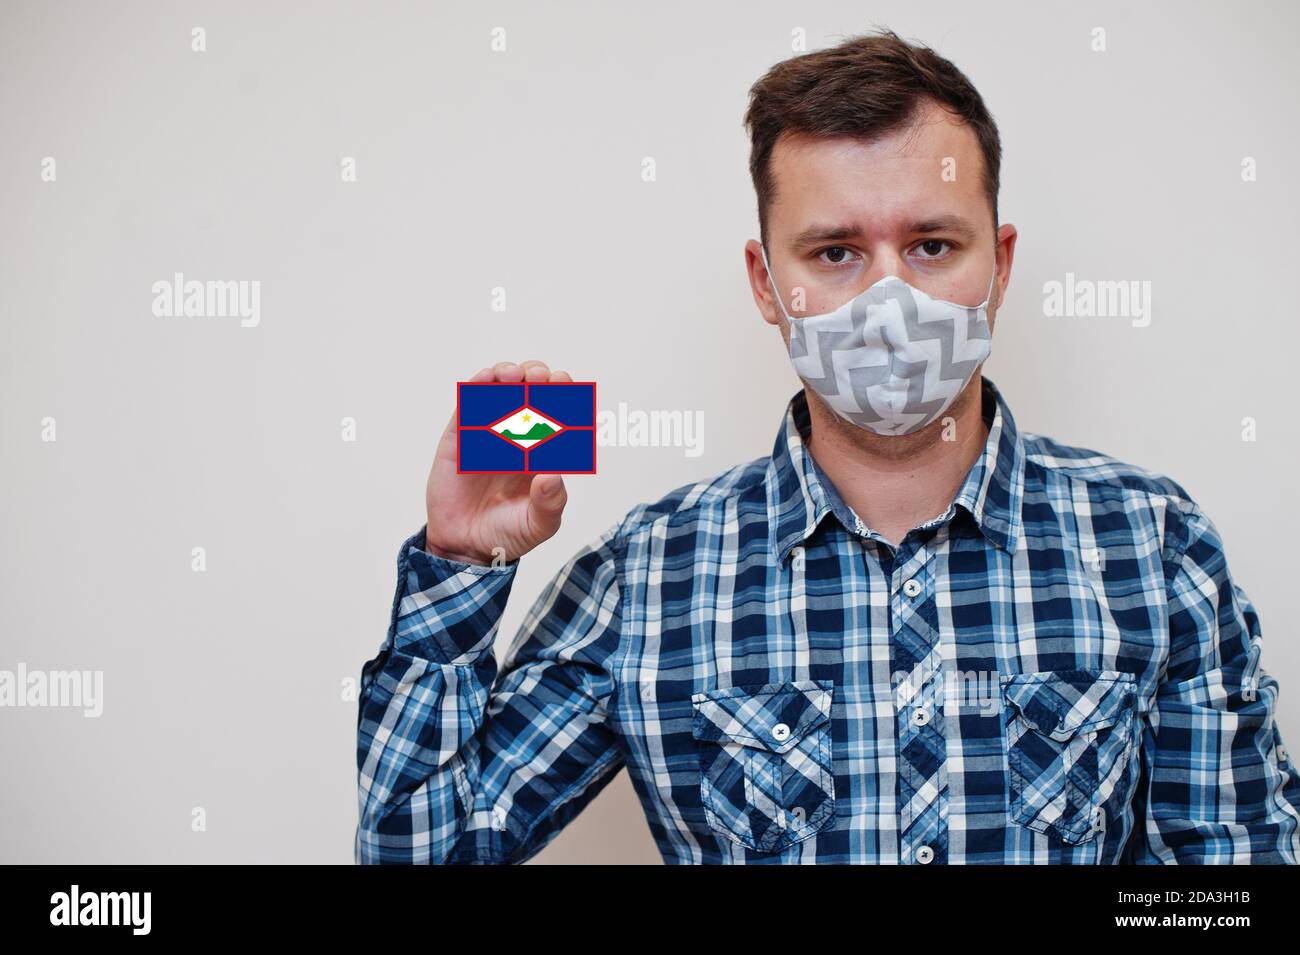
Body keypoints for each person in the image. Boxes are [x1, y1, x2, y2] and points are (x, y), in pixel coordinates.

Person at [354, 28, 1300, 864]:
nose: (890, 299)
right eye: (836, 252)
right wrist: (462, 563)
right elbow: (417, 851)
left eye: (932, 244)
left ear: (999, 264)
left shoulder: (1153, 543)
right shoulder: (647, 577)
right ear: (768, 284)